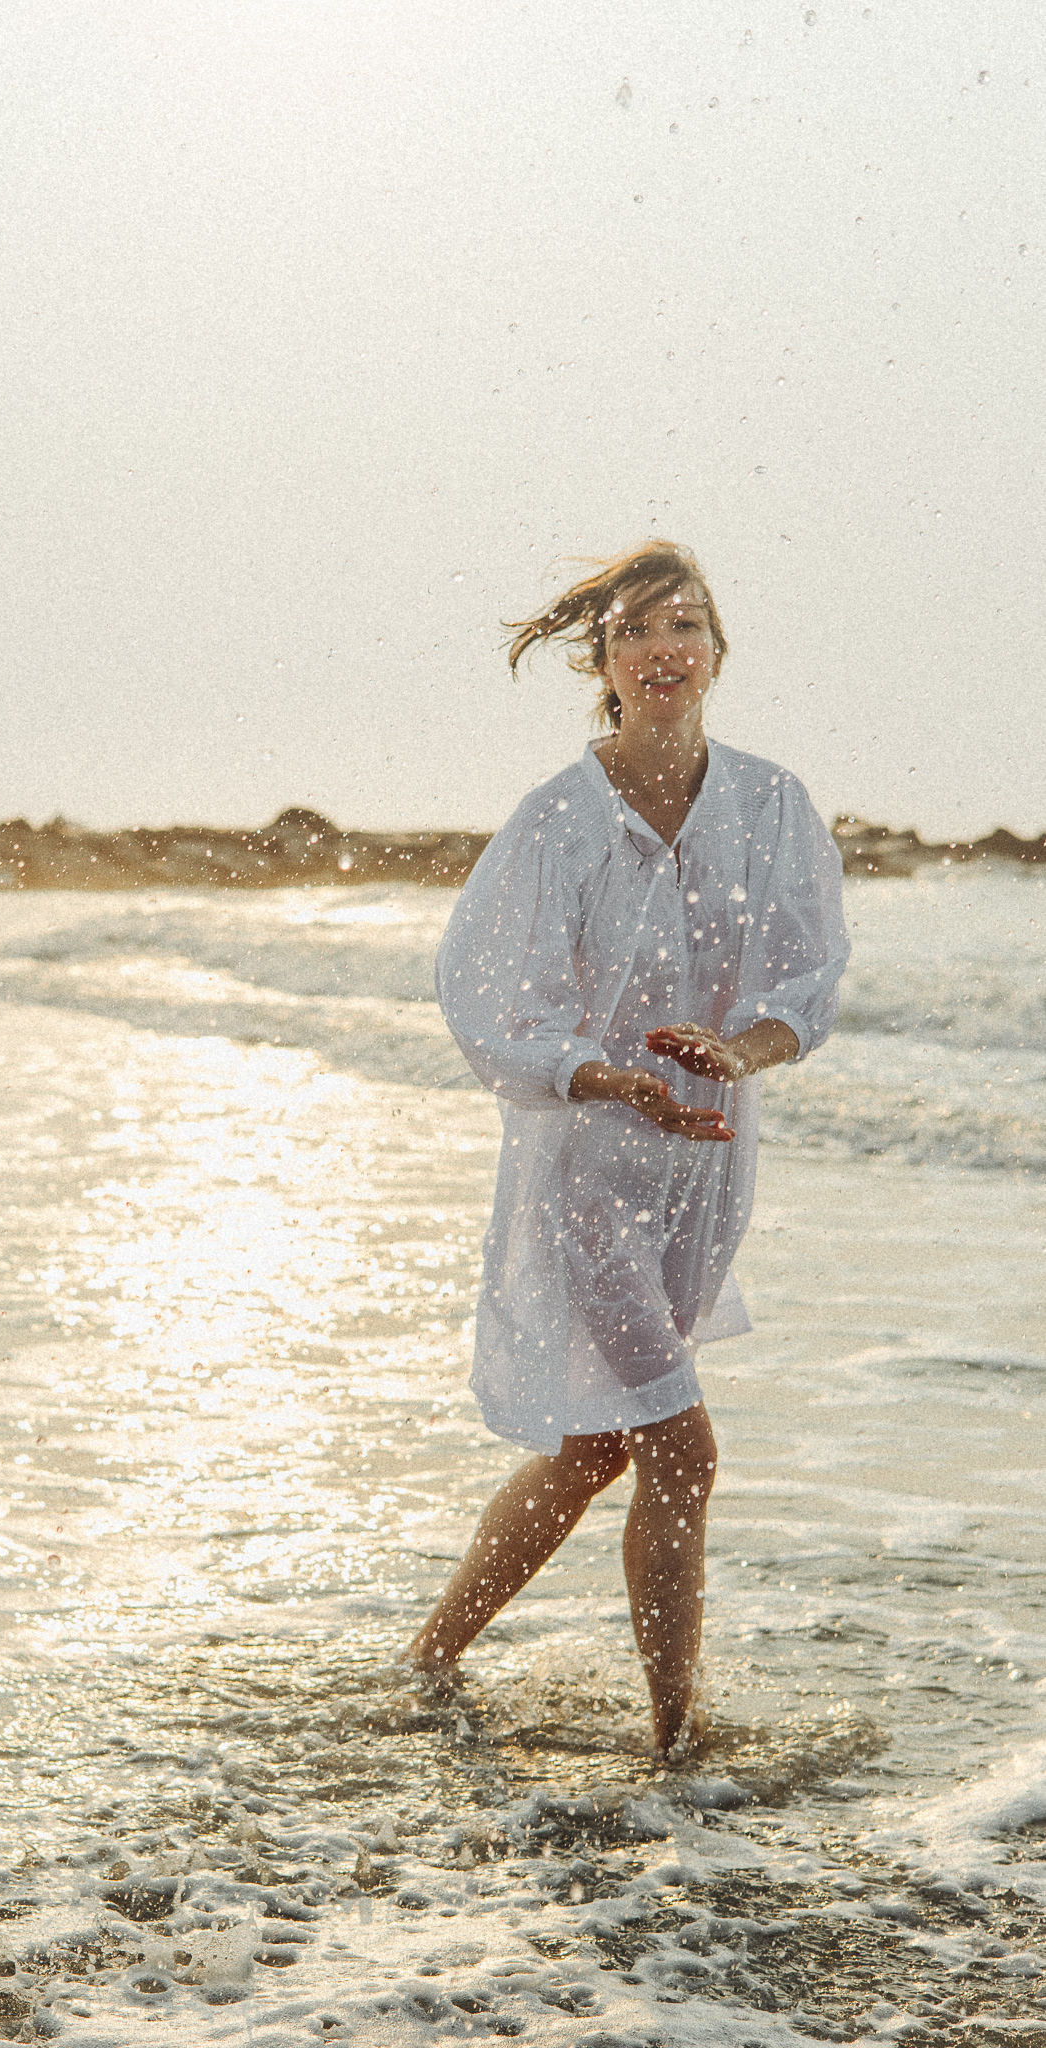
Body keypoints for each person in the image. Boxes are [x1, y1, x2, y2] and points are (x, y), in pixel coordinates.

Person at [407, 542, 849, 1755]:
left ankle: (428, 1657)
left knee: (601, 1444)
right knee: (684, 1449)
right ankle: (674, 1741)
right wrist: (602, 1075)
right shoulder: (559, 818)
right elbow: (486, 997)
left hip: (707, 1168)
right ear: (600, 664)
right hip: (592, 1172)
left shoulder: (773, 804)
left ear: (718, 648)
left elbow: (807, 982)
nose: (663, 648)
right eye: (635, 632)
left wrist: (739, 1050)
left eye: (684, 624)